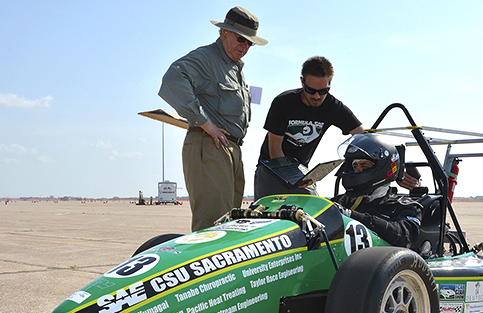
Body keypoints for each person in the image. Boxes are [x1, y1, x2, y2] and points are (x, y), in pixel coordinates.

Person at [158, 6, 267, 232]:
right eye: (241, 39)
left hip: (230, 151)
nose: (245, 46)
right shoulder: (207, 58)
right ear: (224, 33)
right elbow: (172, 79)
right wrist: (205, 123)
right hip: (210, 148)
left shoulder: (233, 66)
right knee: (212, 226)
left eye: (250, 43)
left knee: (231, 225)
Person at [253, 56, 365, 200]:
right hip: (271, 168)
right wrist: (294, 176)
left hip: (302, 172)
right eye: (311, 90)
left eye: (323, 91)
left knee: (314, 214)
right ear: (302, 82)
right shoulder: (283, 102)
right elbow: (275, 148)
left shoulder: (333, 107)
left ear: (330, 83)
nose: (317, 96)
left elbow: (361, 135)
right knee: (269, 216)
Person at [331, 134, 422, 248]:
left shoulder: (406, 206)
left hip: (382, 262)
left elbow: (404, 236)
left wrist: (353, 215)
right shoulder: (345, 201)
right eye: (355, 165)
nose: (357, 170)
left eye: (364, 164)